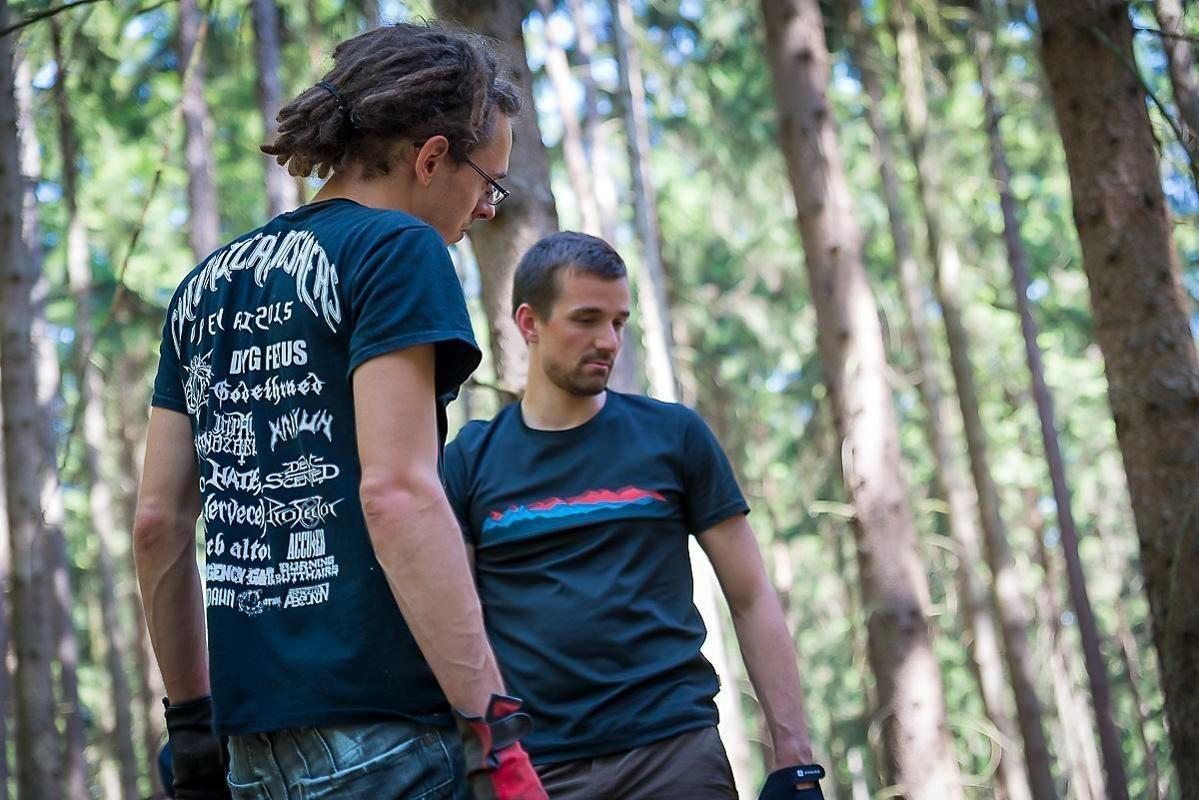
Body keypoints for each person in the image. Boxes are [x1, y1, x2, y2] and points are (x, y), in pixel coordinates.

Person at [133, 22, 546, 800]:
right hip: (388, 738)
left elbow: (157, 524)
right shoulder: (397, 250)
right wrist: (494, 734)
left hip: (248, 751)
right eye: (488, 183)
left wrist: (190, 729)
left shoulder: (202, 287)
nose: (488, 209)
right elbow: (397, 493)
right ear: (431, 158)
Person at [443, 232, 825, 800]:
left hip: (675, 753)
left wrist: (795, 757)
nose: (608, 340)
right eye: (586, 319)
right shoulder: (470, 461)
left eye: (619, 322)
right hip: (540, 770)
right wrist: (491, 758)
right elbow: (456, 623)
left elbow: (750, 597)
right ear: (529, 323)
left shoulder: (674, 436)